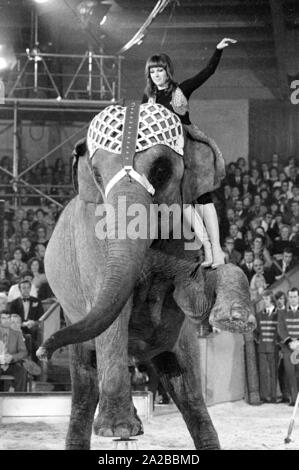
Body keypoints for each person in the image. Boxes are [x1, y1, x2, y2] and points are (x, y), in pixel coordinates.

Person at [142, 37, 237, 268]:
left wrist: (217, 50)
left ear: (168, 71)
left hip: (189, 148)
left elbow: (207, 72)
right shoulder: (148, 98)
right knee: (183, 205)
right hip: (165, 154)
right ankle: (206, 249)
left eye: (160, 70)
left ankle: (217, 250)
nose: (156, 74)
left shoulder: (181, 90)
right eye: (152, 71)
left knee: (203, 199)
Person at [8, 279, 44, 362]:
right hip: (18, 326)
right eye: (23, 288)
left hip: (33, 326)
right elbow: (12, 318)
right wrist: (22, 324)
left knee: (34, 331)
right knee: (24, 335)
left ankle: (34, 359)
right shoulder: (14, 303)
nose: (26, 290)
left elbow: (41, 317)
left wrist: (34, 322)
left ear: (30, 289)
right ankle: (28, 358)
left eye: (28, 287)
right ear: (20, 289)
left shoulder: (37, 301)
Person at [254, 291, 278, 403]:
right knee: (263, 372)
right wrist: (258, 339)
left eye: (267, 299)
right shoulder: (259, 314)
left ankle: (273, 396)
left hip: (274, 348)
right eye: (264, 299)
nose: (265, 301)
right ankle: (264, 396)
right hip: (262, 348)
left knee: (273, 372)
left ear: (272, 299)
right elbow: (256, 330)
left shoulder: (278, 314)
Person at [277, 287, 299, 406]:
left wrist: (298, 342)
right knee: (290, 374)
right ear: (288, 298)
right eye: (290, 297)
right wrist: (290, 341)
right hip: (288, 348)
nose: (293, 299)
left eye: (295, 296)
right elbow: (281, 329)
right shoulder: (282, 312)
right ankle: (294, 399)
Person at [0, 312, 28, 391]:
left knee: (22, 372)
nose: (6, 320)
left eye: (8, 318)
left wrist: (13, 357)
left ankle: (19, 399)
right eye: (3, 318)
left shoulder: (17, 334)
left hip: (11, 364)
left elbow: (24, 352)